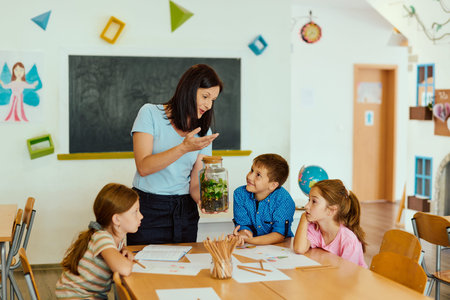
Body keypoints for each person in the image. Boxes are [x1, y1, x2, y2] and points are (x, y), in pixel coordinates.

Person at [127, 64, 223, 245]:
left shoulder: (203, 131)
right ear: (189, 88)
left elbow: (195, 183)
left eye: (213, 100)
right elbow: (144, 167)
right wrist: (183, 147)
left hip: (185, 211)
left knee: (184, 269)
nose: (208, 105)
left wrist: (203, 201)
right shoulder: (149, 113)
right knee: (144, 270)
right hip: (147, 209)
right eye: (205, 96)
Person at [55, 183, 143, 298]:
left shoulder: (113, 237)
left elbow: (118, 252)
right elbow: (124, 269)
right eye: (135, 212)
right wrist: (127, 262)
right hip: (76, 296)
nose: (141, 216)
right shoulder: (103, 238)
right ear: (116, 219)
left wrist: (124, 250)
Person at [293, 179, 367, 268]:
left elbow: (348, 276)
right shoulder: (314, 228)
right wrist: (303, 219)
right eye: (309, 200)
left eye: (314, 201)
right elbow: (299, 249)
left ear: (331, 210)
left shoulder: (348, 241)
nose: (306, 206)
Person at [232, 154, 296, 246]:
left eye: (258, 175)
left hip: (280, 247)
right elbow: (244, 225)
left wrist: (249, 240)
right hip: (252, 248)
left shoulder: (284, 200)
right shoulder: (240, 194)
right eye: (251, 170)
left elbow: (279, 235)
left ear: (273, 185)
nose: (250, 177)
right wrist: (243, 235)